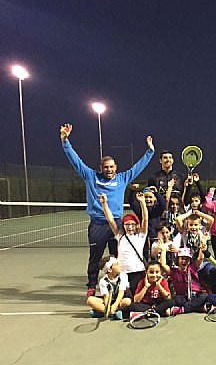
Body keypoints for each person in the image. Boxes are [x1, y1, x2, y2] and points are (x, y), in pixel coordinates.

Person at [60, 123, 155, 298]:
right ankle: (91, 286)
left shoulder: (122, 178)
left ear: (116, 167)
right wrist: (65, 140)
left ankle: (120, 286)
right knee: (95, 258)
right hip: (97, 225)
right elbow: (75, 160)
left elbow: (138, 167)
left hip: (117, 224)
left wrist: (150, 151)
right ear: (101, 168)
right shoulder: (90, 176)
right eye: (106, 167)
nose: (109, 170)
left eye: (111, 167)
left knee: (119, 256)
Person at [99, 192, 148, 292]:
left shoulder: (141, 235)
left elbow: (145, 219)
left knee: (137, 295)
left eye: (132, 224)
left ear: (137, 225)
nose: (130, 227)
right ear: (123, 225)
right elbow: (110, 219)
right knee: (125, 297)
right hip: (123, 272)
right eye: (127, 224)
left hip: (138, 271)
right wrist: (104, 204)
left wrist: (142, 203)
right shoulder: (120, 236)